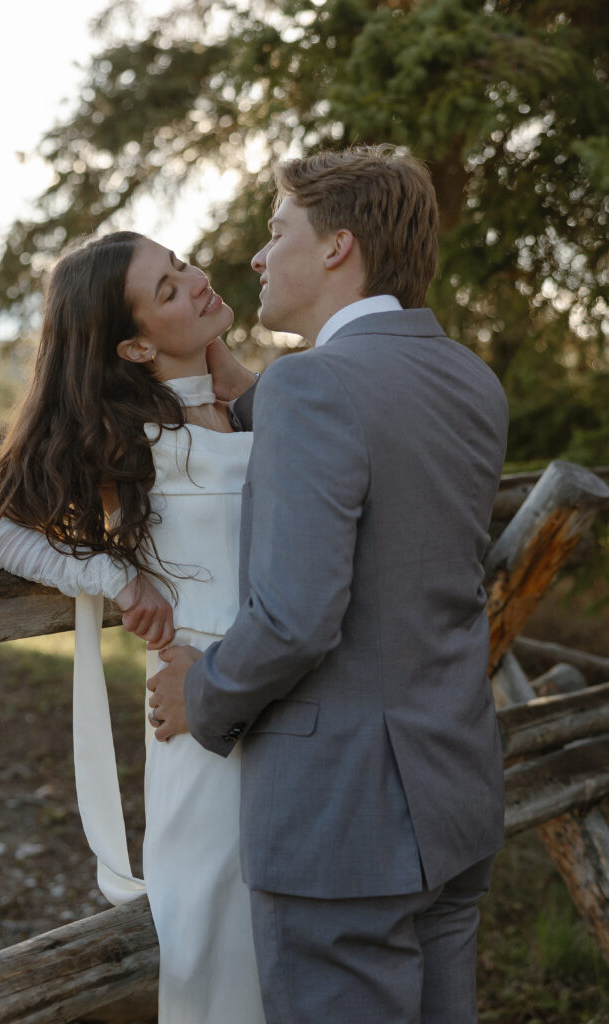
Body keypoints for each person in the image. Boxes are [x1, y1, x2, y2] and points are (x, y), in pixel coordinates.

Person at [148, 145, 509, 1024]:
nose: (259, 258)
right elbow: (368, 432)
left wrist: (205, 692)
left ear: (338, 247)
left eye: (278, 234)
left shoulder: (314, 386)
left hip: (343, 822)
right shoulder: (466, 378)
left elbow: (298, 617)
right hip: (453, 793)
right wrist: (254, 388)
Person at [0, 231, 265, 1024]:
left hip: (298, 696)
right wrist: (113, 575)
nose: (196, 281)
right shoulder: (130, 441)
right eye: (167, 289)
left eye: (184, 263)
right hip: (201, 716)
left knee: (295, 931)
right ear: (130, 345)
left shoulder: (258, 405)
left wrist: (236, 377)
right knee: (216, 942)